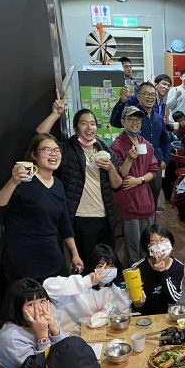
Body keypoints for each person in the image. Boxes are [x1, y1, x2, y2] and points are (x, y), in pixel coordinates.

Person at [37, 98, 123, 273]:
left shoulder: (105, 151)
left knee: (108, 266)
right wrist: (55, 113)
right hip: (81, 217)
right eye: (84, 123)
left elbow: (117, 185)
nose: (89, 127)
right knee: (86, 266)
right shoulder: (67, 149)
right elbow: (40, 136)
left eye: (92, 124)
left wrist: (111, 168)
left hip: (106, 217)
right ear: (76, 127)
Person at [0, 133, 83, 282]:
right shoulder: (23, 180)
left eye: (56, 150)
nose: (53, 154)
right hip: (24, 259)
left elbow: (64, 223)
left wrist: (74, 254)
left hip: (51, 254)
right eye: (47, 150)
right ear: (34, 155)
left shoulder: (58, 184)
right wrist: (14, 181)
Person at [43, 244, 131, 335]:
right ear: (91, 267)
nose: (107, 270)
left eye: (111, 266)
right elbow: (47, 287)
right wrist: (86, 282)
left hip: (96, 336)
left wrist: (131, 298)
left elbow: (123, 317)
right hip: (67, 336)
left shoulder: (114, 291)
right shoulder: (78, 285)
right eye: (101, 266)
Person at [0, 278, 67, 368]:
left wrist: (54, 329)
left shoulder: (39, 320)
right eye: (31, 304)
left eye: (42, 301)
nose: (39, 309)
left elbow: (67, 351)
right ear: (17, 308)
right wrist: (43, 337)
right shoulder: (11, 338)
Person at [111, 81, 171, 212]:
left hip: (154, 167)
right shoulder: (133, 114)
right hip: (134, 166)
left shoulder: (158, 118)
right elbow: (115, 121)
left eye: (153, 95)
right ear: (138, 96)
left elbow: (165, 140)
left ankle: (151, 224)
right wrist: (122, 101)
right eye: (146, 94)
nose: (150, 97)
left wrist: (165, 159)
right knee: (133, 202)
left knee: (153, 202)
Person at [109, 105, 158, 264]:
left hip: (146, 201)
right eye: (131, 119)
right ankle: (133, 276)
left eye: (138, 120)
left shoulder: (147, 145)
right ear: (123, 121)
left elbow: (153, 170)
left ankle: (146, 274)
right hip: (128, 201)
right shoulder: (116, 146)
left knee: (147, 243)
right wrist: (130, 158)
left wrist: (139, 180)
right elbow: (119, 175)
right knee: (132, 246)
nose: (135, 123)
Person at [132, 225, 185, 316]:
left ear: (170, 242)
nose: (160, 246)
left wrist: (163, 272)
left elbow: (174, 299)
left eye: (162, 240)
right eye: (153, 243)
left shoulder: (178, 266)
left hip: (165, 315)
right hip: (141, 315)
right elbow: (133, 303)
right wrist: (137, 303)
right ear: (147, 248)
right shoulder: (138, 268)